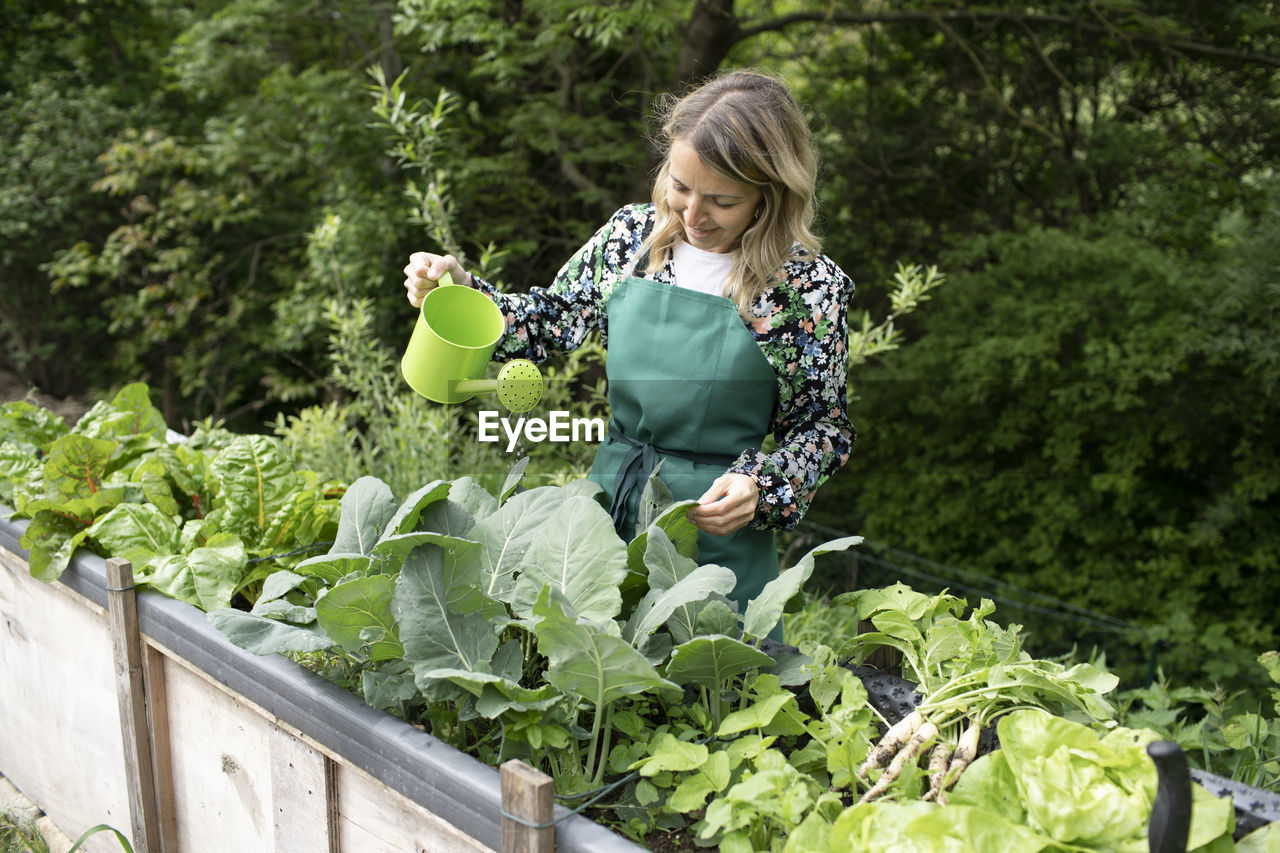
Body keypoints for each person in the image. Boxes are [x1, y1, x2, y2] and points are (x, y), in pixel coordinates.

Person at [403, 69, 854, 618]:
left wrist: (765, 485)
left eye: (721, 201)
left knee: (713, 687)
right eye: (681, 187)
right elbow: (548, 321)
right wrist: (462, 289)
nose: (692, 216)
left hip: (710, 535)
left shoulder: (805, 289)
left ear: (771, 193)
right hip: (604, 518)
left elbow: (823, 429)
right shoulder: (631, 241)